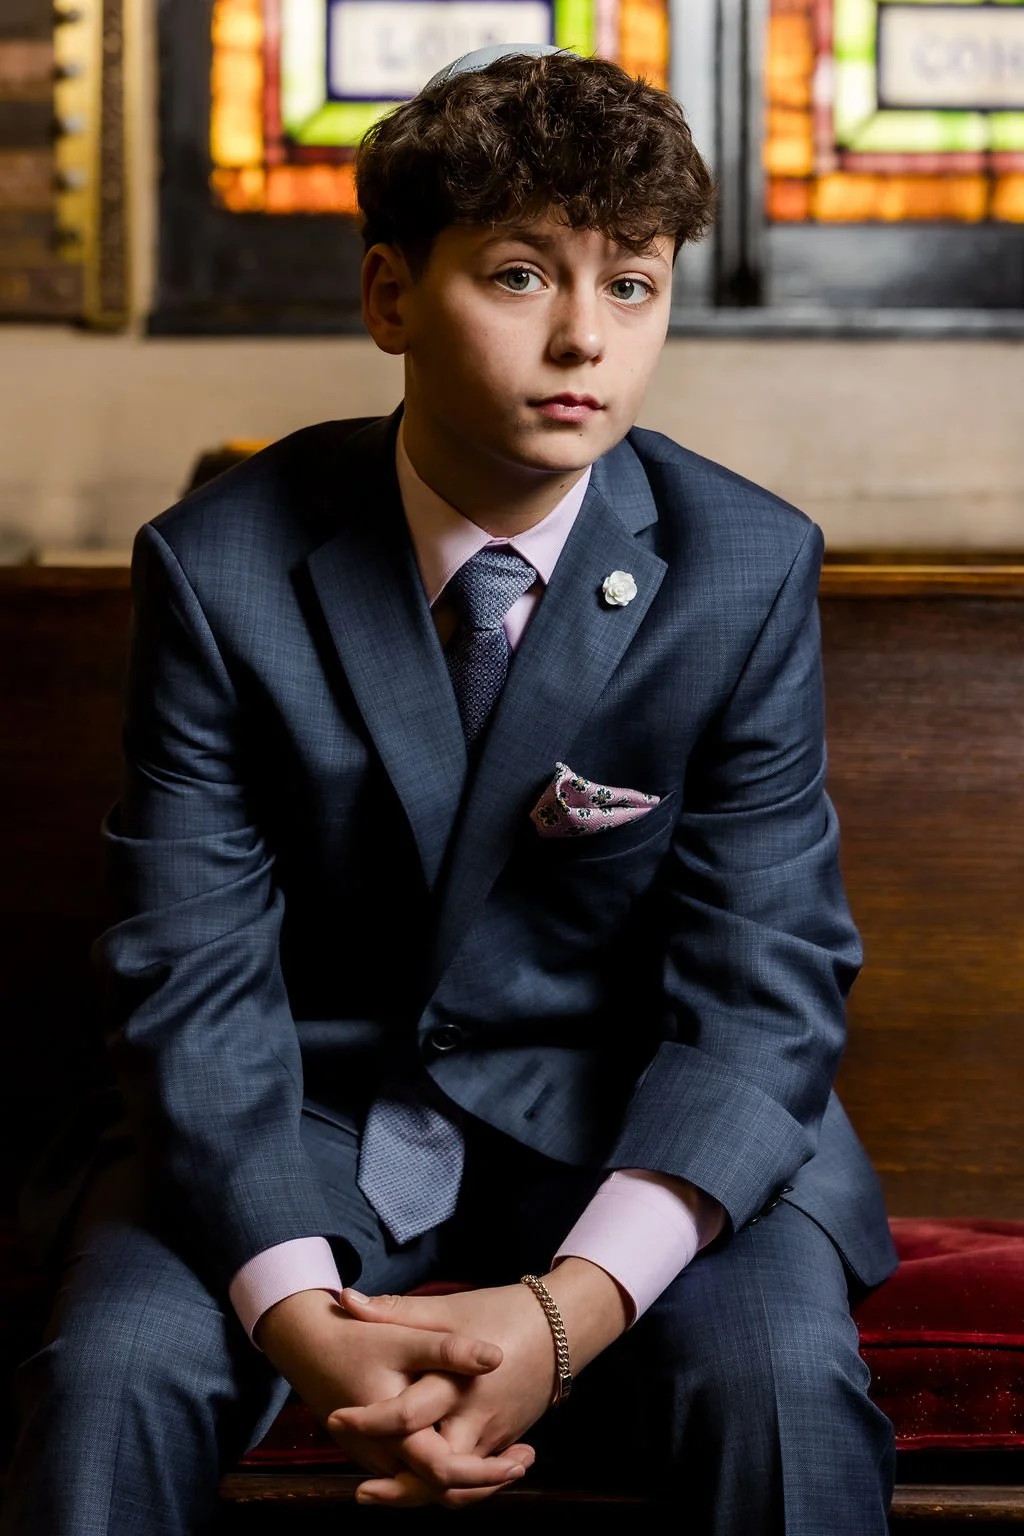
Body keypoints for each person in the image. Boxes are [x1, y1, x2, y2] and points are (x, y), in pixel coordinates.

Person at [1, 44, 899, 1536]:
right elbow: (187, 972)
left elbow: (765, 987)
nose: (582, 344)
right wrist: (302, 1317)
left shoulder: (742, 568)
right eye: (520, 276)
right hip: (300, 1119)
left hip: (639, 1126)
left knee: (784, 1384)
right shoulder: (221, 567)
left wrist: (571, 1312)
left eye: (631, 284)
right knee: (112, 1375)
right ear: (389, 298)